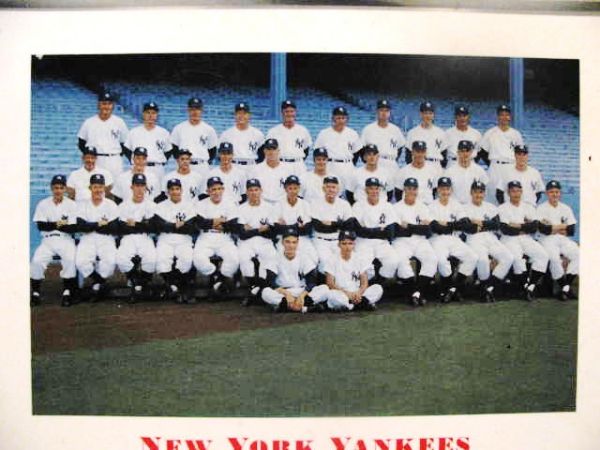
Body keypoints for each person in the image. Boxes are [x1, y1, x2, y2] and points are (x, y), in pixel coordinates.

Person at [30, 175, 79, 307]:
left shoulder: (71, 205)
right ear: (52, 188)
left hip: (65, 239)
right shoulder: (43, 204)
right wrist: (58, 224)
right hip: (48, 240)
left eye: (61, 188)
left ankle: (67, 292)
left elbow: (72, 227)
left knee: (70, 259)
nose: (58, 190)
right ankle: (35, 293)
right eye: (56, 188)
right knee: (37, 261)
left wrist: (53, 224)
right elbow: (41, 225)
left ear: (65, 189)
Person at [462, 181, 514, 303]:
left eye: (481, 192)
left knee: (508, 257)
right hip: (474, 238)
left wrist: (478, 222)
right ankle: (485, 288)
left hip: (490, 238)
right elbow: (467, 227)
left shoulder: (490, 207)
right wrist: (485, 224)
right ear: (471, 192)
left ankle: (488, 288)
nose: (478, 195)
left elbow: (496, 225)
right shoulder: (464, 207)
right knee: (483, 260)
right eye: (475, 192)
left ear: (484, 193)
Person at [497, 180, 549, 301]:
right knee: (517, 259)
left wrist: (517, 226)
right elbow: (505, 229)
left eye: (518, 190)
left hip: (526, 238)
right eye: (513, 191)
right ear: (508, 192)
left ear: (521, 191)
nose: (516, 193)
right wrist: (525, 226)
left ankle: (530, 286)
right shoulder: (502, 208)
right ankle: (524, 287)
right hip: (509, 239)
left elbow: (534, 227)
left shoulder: (528, 207)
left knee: (543, 256)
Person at [428, 177, 477, 302]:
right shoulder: (431, 206)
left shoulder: (456, 204)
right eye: (442, 188)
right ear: (438, 190)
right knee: (441, 260)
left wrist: (446, 224)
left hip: (454, 238)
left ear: (451, 190)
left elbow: (465, 224)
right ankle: (450, 287)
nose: (445, 191)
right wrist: (453, 224)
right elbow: (436, 228)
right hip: (437, 239)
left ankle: (452, 288)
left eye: (447, 188)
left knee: (472, 257)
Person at [392, 177, 437, 306]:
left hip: (420, 241)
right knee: (400, 260)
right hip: (401, 241)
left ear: (417, 190)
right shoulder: (396, 207)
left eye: (414, 188)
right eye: (408, 188)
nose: (411, 191)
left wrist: (409, 227)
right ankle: (415, 292)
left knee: (432, 259)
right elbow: (397, 231)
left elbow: (428, 230)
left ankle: (416, 293)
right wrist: (419, 227)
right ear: (404, 189)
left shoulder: (422, 207)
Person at [261, 227, 329, 313]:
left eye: (294, 242)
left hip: (301, 291)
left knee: (324, 289)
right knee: (266, 292)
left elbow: (312, 282)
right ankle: (305, 308)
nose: (291, 245)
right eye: (287, 242)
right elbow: (270, 282)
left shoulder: (304, 257)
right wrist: (286, 293)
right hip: (283, 292)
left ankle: (286, 306)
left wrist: (302, 295)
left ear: (297, 243)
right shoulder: (275, 257)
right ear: (282, 242)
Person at [74, 173, 119, 302]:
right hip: (87, 238)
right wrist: (100, 224)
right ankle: (99, 283)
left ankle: (96, 285)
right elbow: (81, 226)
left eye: (100, 186)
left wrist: (92, 225)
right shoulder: (83, 205)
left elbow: (114, 227)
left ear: (104, 188)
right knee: (81, 262)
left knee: (110, 262)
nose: (98, 190)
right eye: (95, 186)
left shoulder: (111, 205)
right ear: (90, 188)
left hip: (106, 238)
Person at [193, 176, 240, 297]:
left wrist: (210, 222)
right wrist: (219, 221)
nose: (217, 192)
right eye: (213, 189)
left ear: (223, 189)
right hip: (206, 237)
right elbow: (199, 223)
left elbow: (233, 225)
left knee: (234, 258)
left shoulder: (230, 203)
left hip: (224, 238)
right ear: (208, 191)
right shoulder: (201, 204)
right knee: (198, 259)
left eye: (219, 188)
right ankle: (218, 278)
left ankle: (219, 282)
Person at [152, 178, 197, 304]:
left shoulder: (189, 205)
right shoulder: (160, 206)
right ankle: (177, 287)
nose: (175, 192)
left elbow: (191, 227)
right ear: (168, 192)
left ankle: (174, 286)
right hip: (165, 239)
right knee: (162, 260)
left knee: (186, 259)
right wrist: (176, 225)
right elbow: (158, 225)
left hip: (184, 239)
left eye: (177, 189)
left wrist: (169, 225)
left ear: (181, 190)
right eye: (172, 189)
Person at [115, 173, 157, 303]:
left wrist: (135, 224)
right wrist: (142, 225)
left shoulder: (151, 205)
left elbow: (152, 228)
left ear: (146, 188)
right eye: (137, 185)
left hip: (145, 238)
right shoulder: (123, 205)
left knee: (151, 260)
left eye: (142, 186)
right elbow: (122, 228)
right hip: (128, 238)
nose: (139, 189)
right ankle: (139, 284)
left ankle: (139, 286)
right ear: (131, 187)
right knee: (121, 259)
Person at [236, 179, 278, 305]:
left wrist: (252, 229)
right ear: (247, 192)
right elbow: (242, 234)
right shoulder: (241, 208)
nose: (254, 193)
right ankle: (256, 288)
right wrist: (260, 229)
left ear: (261, 191)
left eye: (256, 190)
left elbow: (272, 232)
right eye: (250, 190)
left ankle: (255, 290)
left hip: (265, 241)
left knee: (271, 258)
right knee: (244, 258)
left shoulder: (269, 208)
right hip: (246, 242)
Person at [351, 177, 400, 284]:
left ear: (380, 190)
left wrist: (369, 230)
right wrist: (379, 230)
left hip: (381, 243)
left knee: (393, 261)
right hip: (363, 242)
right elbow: (359, 230)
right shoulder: (358, 205)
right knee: (364, 267)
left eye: (376, 188)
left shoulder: (387, 206)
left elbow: (390, 232)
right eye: (371, 188)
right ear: (366, 190)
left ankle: (379, 283)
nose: (374, 191)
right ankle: (366, 287)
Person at [536, 180, 579, 301]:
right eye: (551, 192)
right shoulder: (541, 208)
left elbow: (571, 230)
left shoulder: (565, 208)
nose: (554, 194)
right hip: (546, 239)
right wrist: (561, 226)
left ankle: (564, 288)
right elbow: (544, 230)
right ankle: (565, 289)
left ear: (560, 193)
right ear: (546, 193)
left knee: (578, 254)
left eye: (557, 192)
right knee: (554, 258)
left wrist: (553, 228)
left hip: (562, 239)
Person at [324, 230, 383, 311]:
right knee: (332, 295)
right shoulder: (331, 259)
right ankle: (361, 304)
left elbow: (364, 283)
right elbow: (330, 283)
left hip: (357, 293)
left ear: (354, 244)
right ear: (338, 244)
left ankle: (352, 305)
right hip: (342, 293)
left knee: (378, 288)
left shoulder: (359, 258)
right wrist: (347, 294)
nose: (347, 247)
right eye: (344, 243)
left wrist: (358, 293)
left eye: (350, 243)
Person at [477, 104, 524, 203]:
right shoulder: (490, 133)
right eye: (501, 115)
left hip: (510, 167)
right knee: (492, 195)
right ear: (498, 117)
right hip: (495, 167)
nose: (504, 117)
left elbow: (520, 154)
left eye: (507, 115)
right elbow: (482, 152)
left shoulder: (516, 134)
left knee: (509, 196)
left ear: (510, 117)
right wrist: (491, 163)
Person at [77, 91, 129, 179]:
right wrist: (90, 156)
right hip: (95, 160)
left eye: (109, 104)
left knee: (114, 189)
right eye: (104, 103)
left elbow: (125, 144)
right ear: (98, 105)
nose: (106, 106)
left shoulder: (119, 122)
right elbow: (81, 143)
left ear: (113, 106)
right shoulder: (89, 122)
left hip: (113, 159)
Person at [311, 176, 354, 273]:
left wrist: (331, 224)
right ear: (323, 188)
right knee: (325, 262)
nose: (331, 190)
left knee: (345, 261)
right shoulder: (315, 203)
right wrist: (339, 224)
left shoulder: (344, 204)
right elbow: (318, 227)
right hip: (320, 240)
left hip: (338, 241)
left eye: (333, 187)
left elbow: (350, 226)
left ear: (338, 189)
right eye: (328, 187)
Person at [274, 175, 318, 264]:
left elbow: (307, 229)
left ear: (299, 189)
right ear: (285, 189)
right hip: (284, 239)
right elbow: (276, 228)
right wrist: (297, 227)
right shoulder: (278, 204)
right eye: (290, 188)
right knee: (281, 256)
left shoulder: (305, 204)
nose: (293, 191)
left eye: (295, 188)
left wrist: (286, 226)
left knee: (313, 257)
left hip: (302, 238)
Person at [124, 101, 171, 183]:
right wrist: (134, 162)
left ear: (157, 115)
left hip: (157, 169)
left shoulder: (164, 133)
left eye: (153, 113)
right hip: (139, 169)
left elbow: (168, 151)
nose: (150, 116)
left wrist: (158, 161)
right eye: (147, 113)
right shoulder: (134, 132)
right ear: (143, 114)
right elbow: (127, 150)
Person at [314, 106, 362, 186]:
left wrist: (349, 164)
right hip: (330, 165)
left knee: (347, 191)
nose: (341, 120)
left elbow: (356, 153)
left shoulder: (353, 134)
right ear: (333, 118)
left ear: (347, 119)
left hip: (347, 166)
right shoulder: (324, 133)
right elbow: (317, 153)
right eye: (338, 118)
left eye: (343, 118)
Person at [170, 96, 218, 174]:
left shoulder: (209, 129)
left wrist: (204, 161)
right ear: (188, 110)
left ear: (202, 110)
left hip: (202, 166)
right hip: (184, 166)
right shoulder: (179, 128)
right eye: (192, 109)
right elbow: (174, 149)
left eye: (197, 109)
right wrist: (182, 162)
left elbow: (212, 151)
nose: (195, 112)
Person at [266, 99, 313, 175]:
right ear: (282, 113)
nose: (289, 114)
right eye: (286, 111)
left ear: (295, 112)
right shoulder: (273, 132)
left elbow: (306, 150)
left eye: (292, 111)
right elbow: (268, 151)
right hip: (281, 164)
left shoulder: (303, 130)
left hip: (298, 165)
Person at [360, 99, 406, 172]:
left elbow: (400, 148)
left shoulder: (396, 130)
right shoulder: (368, 129)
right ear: (377, 111)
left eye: (386, 110)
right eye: (381, 110)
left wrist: (392, 159)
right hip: (375, 164)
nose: (384, 113)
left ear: (390, 112)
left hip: (391, 164)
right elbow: (362, 150)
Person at [219, 102, 264, 171]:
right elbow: (220, 155)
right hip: (233, 166)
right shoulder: (226, 134)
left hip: (251, 166)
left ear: (249, 115)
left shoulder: (258, 134)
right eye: (239, 113)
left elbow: (262, 155)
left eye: (244, 113)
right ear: (235, 115)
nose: (241, 116)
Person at [394, 140, 442, 204]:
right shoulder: (403, 171)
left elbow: (436, 191)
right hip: (410, 207)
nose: (420, 154)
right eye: (417, 151)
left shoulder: (433, 170)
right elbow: (398, 193)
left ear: (425, 153)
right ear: (412, 152)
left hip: (427, 206)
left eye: (422, 152)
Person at [247, 138, 292, 205]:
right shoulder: (255, 169)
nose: (271, 152)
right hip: (262, 204)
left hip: (281, 204)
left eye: (274, 149)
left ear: (278, 151)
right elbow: (250, 191)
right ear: (264, 151)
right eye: (268, 149)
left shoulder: (288, 169)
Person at [443, 140, 489, 204]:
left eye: (467, 151)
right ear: (458, 153)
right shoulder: (449, 172)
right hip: (456, 207)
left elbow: (484, 192)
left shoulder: (479, 171)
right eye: (462, 151)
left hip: (472, 207)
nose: (465, 154)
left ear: (471, 152)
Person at [405, 101, 447, 167]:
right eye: (425, 113)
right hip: (418, 166)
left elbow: (444, 156)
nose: (428, 116)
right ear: (421, 114)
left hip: (436, 166)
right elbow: (408, 156)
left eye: (430, 113)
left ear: (433, 115)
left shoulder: (441, 133)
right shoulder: (412, 133)